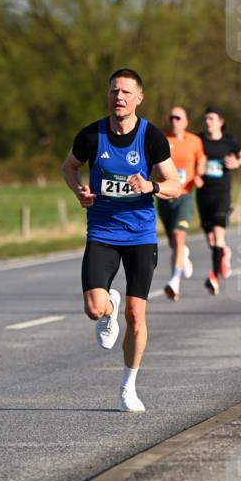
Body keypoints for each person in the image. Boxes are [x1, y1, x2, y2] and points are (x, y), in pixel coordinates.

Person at [61, 68, 182, 412]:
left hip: (140, 236)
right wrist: (79, 191)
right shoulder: (91, 135)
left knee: (136, 315)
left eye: (127, 92)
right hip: (101, 232)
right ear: (108, 95)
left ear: (138, 98)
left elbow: (176, 185)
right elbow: (68, 167)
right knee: (94, 308)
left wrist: (151, 186)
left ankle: (129, 386)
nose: (120, 97)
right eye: (115, 91)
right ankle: (107, 307)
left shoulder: (151, 137)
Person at [196, 106, 241, 295]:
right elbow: (191, 159)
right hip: (203, 194)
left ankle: (214, 276)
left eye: (211, 118)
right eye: (206, 119)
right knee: (211, 239)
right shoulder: (198, 140)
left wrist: (237, 162)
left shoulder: (229, 141)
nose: (207, 122)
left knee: (218, 233)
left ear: (220, 121)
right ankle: (223, 251)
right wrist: (195, 175)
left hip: (222, 193)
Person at [157, 106, 206, 300]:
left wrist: (200, 175)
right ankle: (183, 253)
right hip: (164, 195)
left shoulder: (194, 141)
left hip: (184, 195)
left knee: (178, 236)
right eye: (171, 118)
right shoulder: (161, 139)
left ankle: (174, 282)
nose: (174, 121)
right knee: (173, 241)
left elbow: (200, 161)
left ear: (185, 122)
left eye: (178, 118)